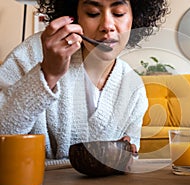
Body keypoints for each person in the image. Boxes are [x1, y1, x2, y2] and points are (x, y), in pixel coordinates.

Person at [0, 0, 169, 159]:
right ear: (75, 16)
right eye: (93, 13)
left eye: (118, 13)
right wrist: (48, 74)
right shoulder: (34, 52)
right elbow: (3, 131)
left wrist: (126, 153)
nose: (107, 26)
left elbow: (131, 149)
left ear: (135, 18)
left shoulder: (133, 87)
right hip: (33, 183)